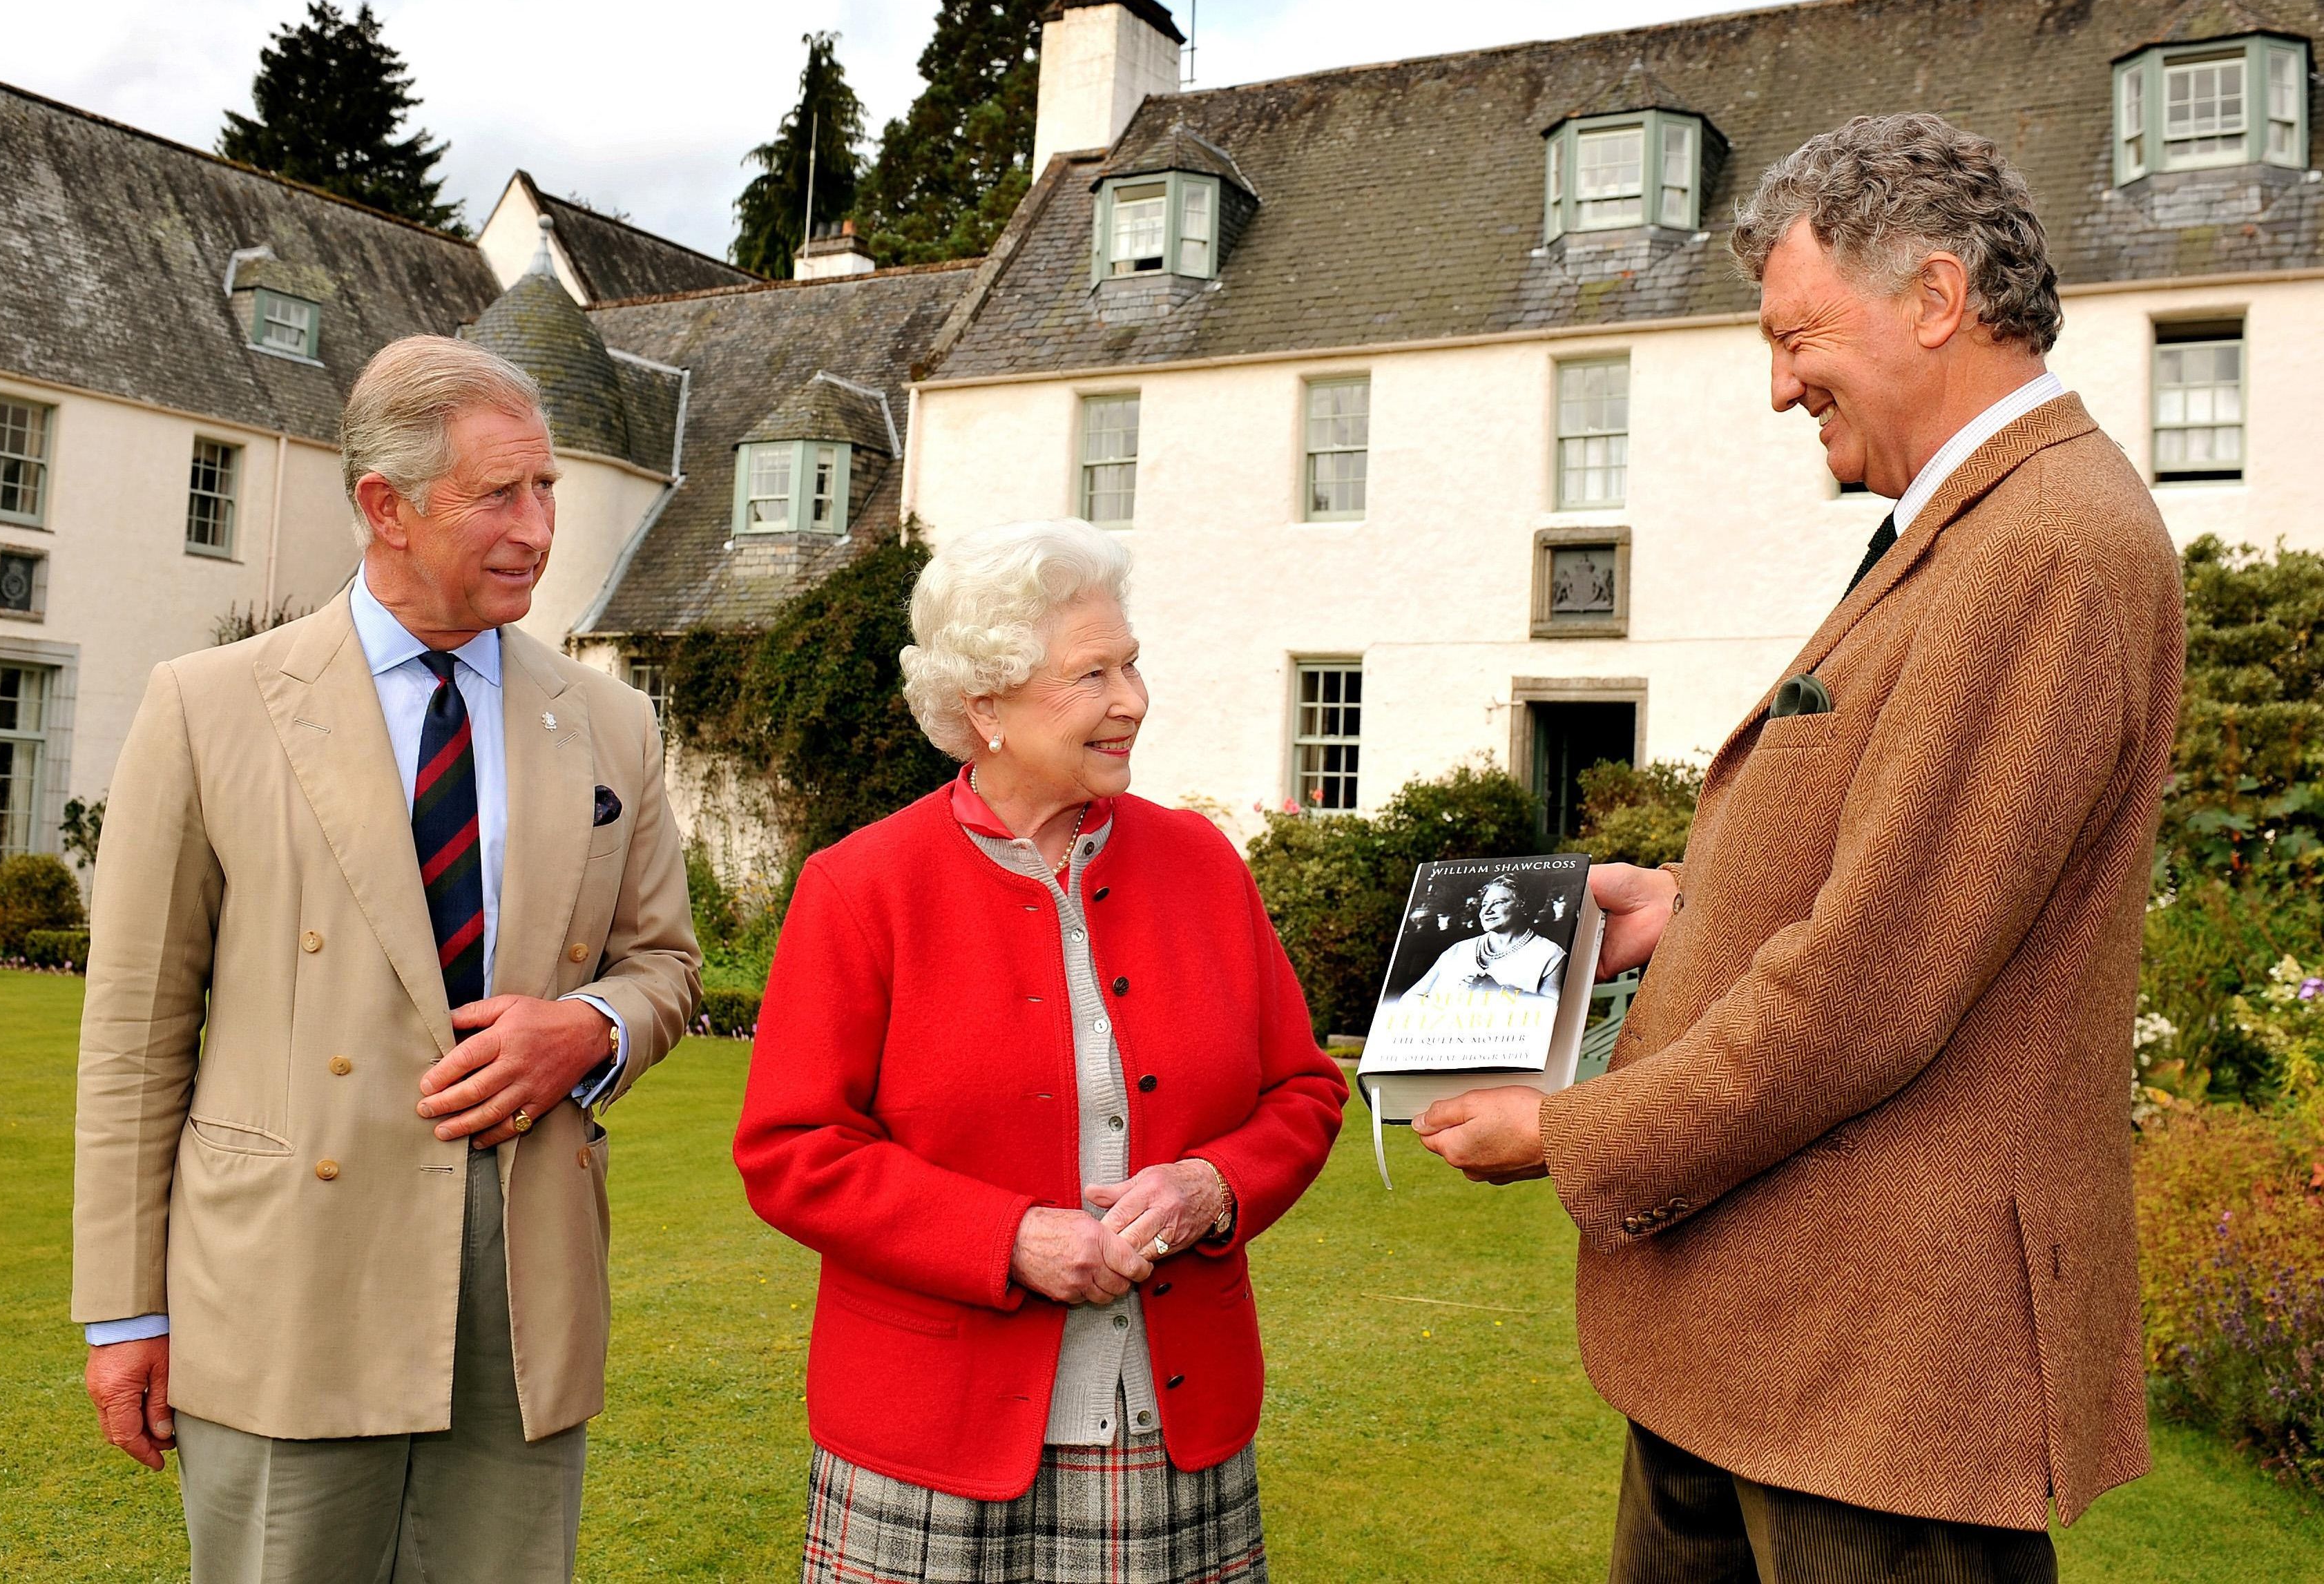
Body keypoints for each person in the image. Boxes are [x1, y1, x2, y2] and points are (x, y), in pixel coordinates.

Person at [1410, 114, 2183, 1578]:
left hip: (1876, 1377)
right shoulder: (1967, 527)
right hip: (1764, 1354)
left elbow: (1871, 987)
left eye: (1795, 338)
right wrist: (1689, 905)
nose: (1776, 388)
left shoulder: (2043, 550)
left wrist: (1569, 1135)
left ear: (1935, 300)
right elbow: (1916, 873)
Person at [72, 336, 702, 1582]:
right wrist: (126, 1311)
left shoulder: (613, 719)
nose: (540, 527)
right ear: (386, 507)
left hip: (519, 1284)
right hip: (284, 1283)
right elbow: (135, 1033)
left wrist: (591, 1028)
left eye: (549, 490)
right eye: (501, 494)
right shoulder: (209, 705)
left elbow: (666, 966)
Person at [733, 518, 1347, 1584]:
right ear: (985, 708)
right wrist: (1008, 1238)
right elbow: (793, 1148)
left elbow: (1300, 1091)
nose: (1133, 701)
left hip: (1170, 1428)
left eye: (1133, 663)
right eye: (1092, 675)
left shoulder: (1201, 863)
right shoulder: (861, 887)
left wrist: (1212, 1184)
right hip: (929, 1445)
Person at [1404, 876, 1566, 1000]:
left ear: (1524, 906)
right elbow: (1411, 998)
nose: (1486, 911)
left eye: (1498, 903)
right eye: (1484, 904)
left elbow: (1552, 1009)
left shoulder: (1549, 954)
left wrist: (1500, 993)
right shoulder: (1459, 949)